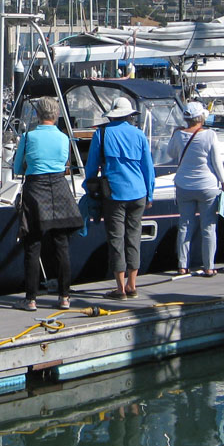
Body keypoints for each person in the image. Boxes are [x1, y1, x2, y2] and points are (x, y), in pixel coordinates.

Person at [12, 97, 83, 312]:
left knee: (33, 245)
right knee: (61, 244)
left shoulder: (28, 136)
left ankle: (31, 299)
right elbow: (64, 163)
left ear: (38, 115)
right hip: (59, 187)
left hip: (36, 187)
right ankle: (64, 297)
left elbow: (17, 167)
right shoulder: (63, 138)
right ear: (56, 114)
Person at [85, 96, 154, 300]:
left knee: (116, 239)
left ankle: (120, 288)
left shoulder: (102, 134)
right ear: (129, 115)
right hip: (138, 192)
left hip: (114, 193)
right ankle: (132, 284)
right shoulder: (139, 134)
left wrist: (88, 184)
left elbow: (92, 165)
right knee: (134, 238)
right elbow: (147, 167)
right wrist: (150, 193)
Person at [166, 101, 224, 277]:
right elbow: (216, 161)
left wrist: (175, 134)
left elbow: (171, 154)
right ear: (201, 117)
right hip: (207, 185)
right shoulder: (210, 135)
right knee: (208, 227)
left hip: (184, 184)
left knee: (185, 225)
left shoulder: (179, 135)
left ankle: (182, 265)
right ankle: (209, 266)